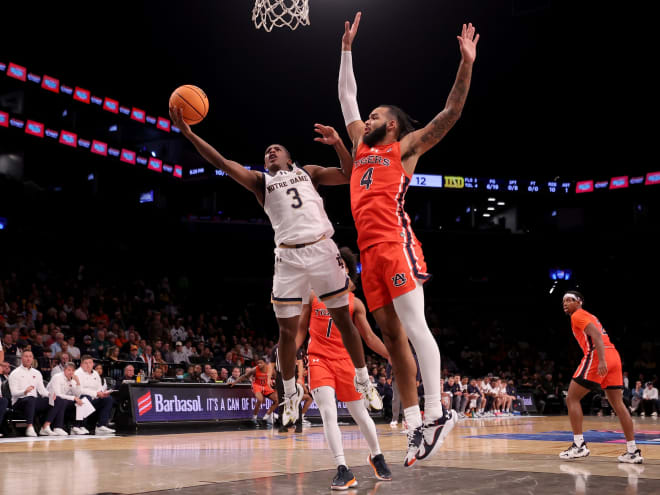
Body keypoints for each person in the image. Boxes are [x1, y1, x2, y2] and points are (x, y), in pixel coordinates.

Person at [169, 107, 380, 428]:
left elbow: (349, 175)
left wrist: (339, 143)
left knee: (343, 317)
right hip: (288, 257)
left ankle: (364, 380)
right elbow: (222, 163)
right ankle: (291, 392)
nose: (270, 152)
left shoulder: (309, 173)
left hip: (323, 247)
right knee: (286, 331)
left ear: (289, 158)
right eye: (267, 151)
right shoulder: (259, 182)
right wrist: (188, 133)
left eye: (276, 149)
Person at [336, 12, 478, 465]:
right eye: (370, 114)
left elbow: (450, 113)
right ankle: (415, 424)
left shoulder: (404, 147)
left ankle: (438, 413)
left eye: (378, 115)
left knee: (416, 328)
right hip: (367, 255)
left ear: (393, 125)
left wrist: (467, 64)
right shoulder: (361, 145)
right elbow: (347, 97)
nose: (369, 117)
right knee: (394, 342)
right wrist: (345, 50)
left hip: (396, 243)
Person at [297, 247, 392, 489]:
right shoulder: (312, 295)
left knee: (360, 414)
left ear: (348, 270)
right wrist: (286, 354)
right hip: (318, 359)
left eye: (341, 264)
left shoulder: (355, 303)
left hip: (346, 361)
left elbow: (369, 338)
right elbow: (299, 330)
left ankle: (376, 455)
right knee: (328, 412)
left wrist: (393, 356)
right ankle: (342, 468)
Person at [560, 291, 643, 463]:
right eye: (564, 301)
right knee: (618, 405)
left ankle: (579, 445)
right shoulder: (590, 315)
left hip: (599, 356)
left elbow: (596, 335)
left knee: (571, 398)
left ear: (579, 302)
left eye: (570, 300)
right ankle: (633, 451)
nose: (566, 303)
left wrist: (602, 360)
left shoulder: (577, 315)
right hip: (614, 356)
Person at [8, 350, 50, 436]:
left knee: (54, 401)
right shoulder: (15, 373)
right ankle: (29, 427)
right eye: (26, 356)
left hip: (33, 400)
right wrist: (24, 391)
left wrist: (51, 395)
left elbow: (42, 391)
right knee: (31, 399)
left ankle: (46, 427)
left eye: (30, 356)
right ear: (21, 358)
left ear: (32, 359)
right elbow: (14, 393)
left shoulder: (37, 373)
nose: (28, 358)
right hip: (19, 402)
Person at [232, 357, 279, 427]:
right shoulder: (254, 369)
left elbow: (277, 378)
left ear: (265, 363)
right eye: (258, 363)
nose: (259, 364)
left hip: (266, 386)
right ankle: (254, 417)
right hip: (257, 385)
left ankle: (268, 414)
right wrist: (234, 382)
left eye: (261, 363)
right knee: (260, 399)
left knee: (277, 400)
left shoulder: (270, 369)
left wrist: (276, 386)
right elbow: (245, 376)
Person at [74, 355, 115, 435]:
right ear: (81, 364)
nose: (88, 365)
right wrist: (96, 393)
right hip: (80, 399)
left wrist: (102, 393)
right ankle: (80, 426)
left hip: (94, 399)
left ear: (93, 364)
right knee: (86, 397)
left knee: (108, 399)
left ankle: (101, 426)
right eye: (85, 363)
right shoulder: (77, 373)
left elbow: (99, 388)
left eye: (90, 363)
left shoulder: (95, 373)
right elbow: (79, 391)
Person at [42, 362, 83, 436]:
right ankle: (57, 427)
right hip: (48, 399)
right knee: (62, 401)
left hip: (60, 400)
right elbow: (57, 394)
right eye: (69, 370)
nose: (71, 372)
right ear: (64, 370)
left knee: (80, 402)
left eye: (73, 371)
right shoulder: (57, 377)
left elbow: (78, 395)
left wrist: (78, 382)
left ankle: (75, 427)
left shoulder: (72, 380)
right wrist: (73, 398)